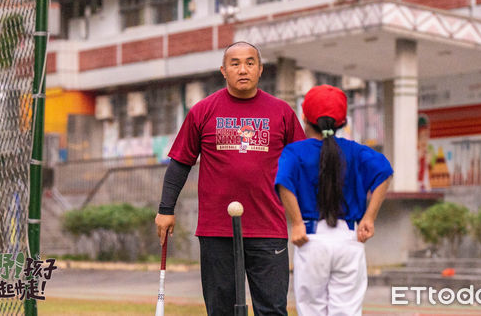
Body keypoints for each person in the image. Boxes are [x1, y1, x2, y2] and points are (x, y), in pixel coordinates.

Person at [155, 41, 305, 316]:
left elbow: (301, 167)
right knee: (221, 310)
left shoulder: (282, 112)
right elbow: (179, 163)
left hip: (267, 228)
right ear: (223, 70)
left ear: (260, 69)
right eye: (235, 63)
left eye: (250, 63)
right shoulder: (203, 110)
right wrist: (166, 210)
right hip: (216, 230)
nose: (243, 69)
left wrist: (302, 219)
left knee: (272, 309)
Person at [275, 84, 393, 316]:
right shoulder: (356, 151)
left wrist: (297, 223)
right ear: (343, 122)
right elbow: (384, 172)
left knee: (312, 311)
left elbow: (284, 183)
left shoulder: (294, 152)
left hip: (311, 239)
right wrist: (369, 218)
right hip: (349, 239)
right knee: (347, 311)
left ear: (304, 117)